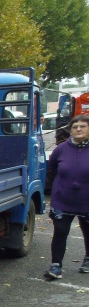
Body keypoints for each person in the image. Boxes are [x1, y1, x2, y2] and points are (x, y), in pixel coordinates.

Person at [44, 114, 89, 280]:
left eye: (83, 126)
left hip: (87, 201)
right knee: (60, 231)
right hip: (63, 199)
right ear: (70, 130)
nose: (78, 129)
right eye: (75, 127)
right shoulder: (61, 149)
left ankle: (88, 259)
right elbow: (51, 169)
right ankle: (56, 265)